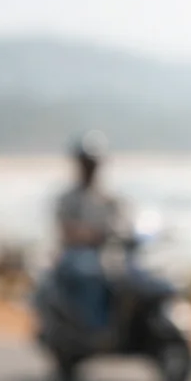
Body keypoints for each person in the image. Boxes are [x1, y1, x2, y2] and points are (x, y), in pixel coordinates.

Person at [54, 130, 124, 330]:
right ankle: (94, 328)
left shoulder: (109, 198)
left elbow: (125, 224)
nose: (90, 168)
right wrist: (93, 235)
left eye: (92, 164)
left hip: (107, 255)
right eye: (86, 163)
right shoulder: (68, 199)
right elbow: (67, 232)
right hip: (75, 256)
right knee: (88, 273)